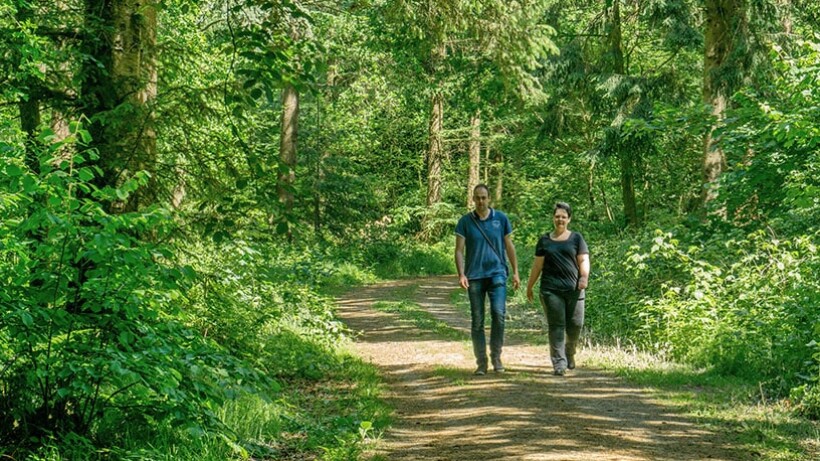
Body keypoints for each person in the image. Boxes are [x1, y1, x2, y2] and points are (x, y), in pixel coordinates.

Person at [455, 184, 520, 375]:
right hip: (474, 276)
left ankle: (497, 357)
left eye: (484, 197)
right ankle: (481, 362)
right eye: (477, 198)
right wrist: (461, 274)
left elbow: (509, 246)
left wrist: (515, 271)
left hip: (497, 274)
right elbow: (459, 250)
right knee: (477, 320)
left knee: (498, 314)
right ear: (473, 199)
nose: (481, 201)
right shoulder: (465, 222)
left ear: (489, 198)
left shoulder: (501, 219)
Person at [526, 202, 590, 376]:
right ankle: (559, 363)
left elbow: (583, 260)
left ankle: (569, 353)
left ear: (569, 219)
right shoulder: (544, 241)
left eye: (563, 216)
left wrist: (584, 277)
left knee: (575, 325)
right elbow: (537, 266)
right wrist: (530, 286)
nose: (560, 219)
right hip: (550, 290)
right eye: (557, 216)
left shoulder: (577, 239)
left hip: (574, 290)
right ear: (553, 218)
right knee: (556, 326)